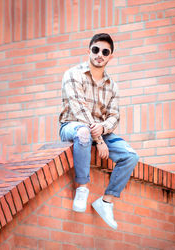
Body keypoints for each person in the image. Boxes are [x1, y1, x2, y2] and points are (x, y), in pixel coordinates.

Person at [59, 33, 139, 230]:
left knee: (130, 156)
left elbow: (115, 116)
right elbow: (79, 109)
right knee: (83, 132)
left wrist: (103, 129)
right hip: (72, 126)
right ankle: (82, 188)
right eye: (96, 50)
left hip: (101, 132)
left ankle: (106, 202)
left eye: (105, 52)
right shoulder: (73, 74)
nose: (99, 55)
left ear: (110, 56)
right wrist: (99, 139)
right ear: (89, 51)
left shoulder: (112, 86)